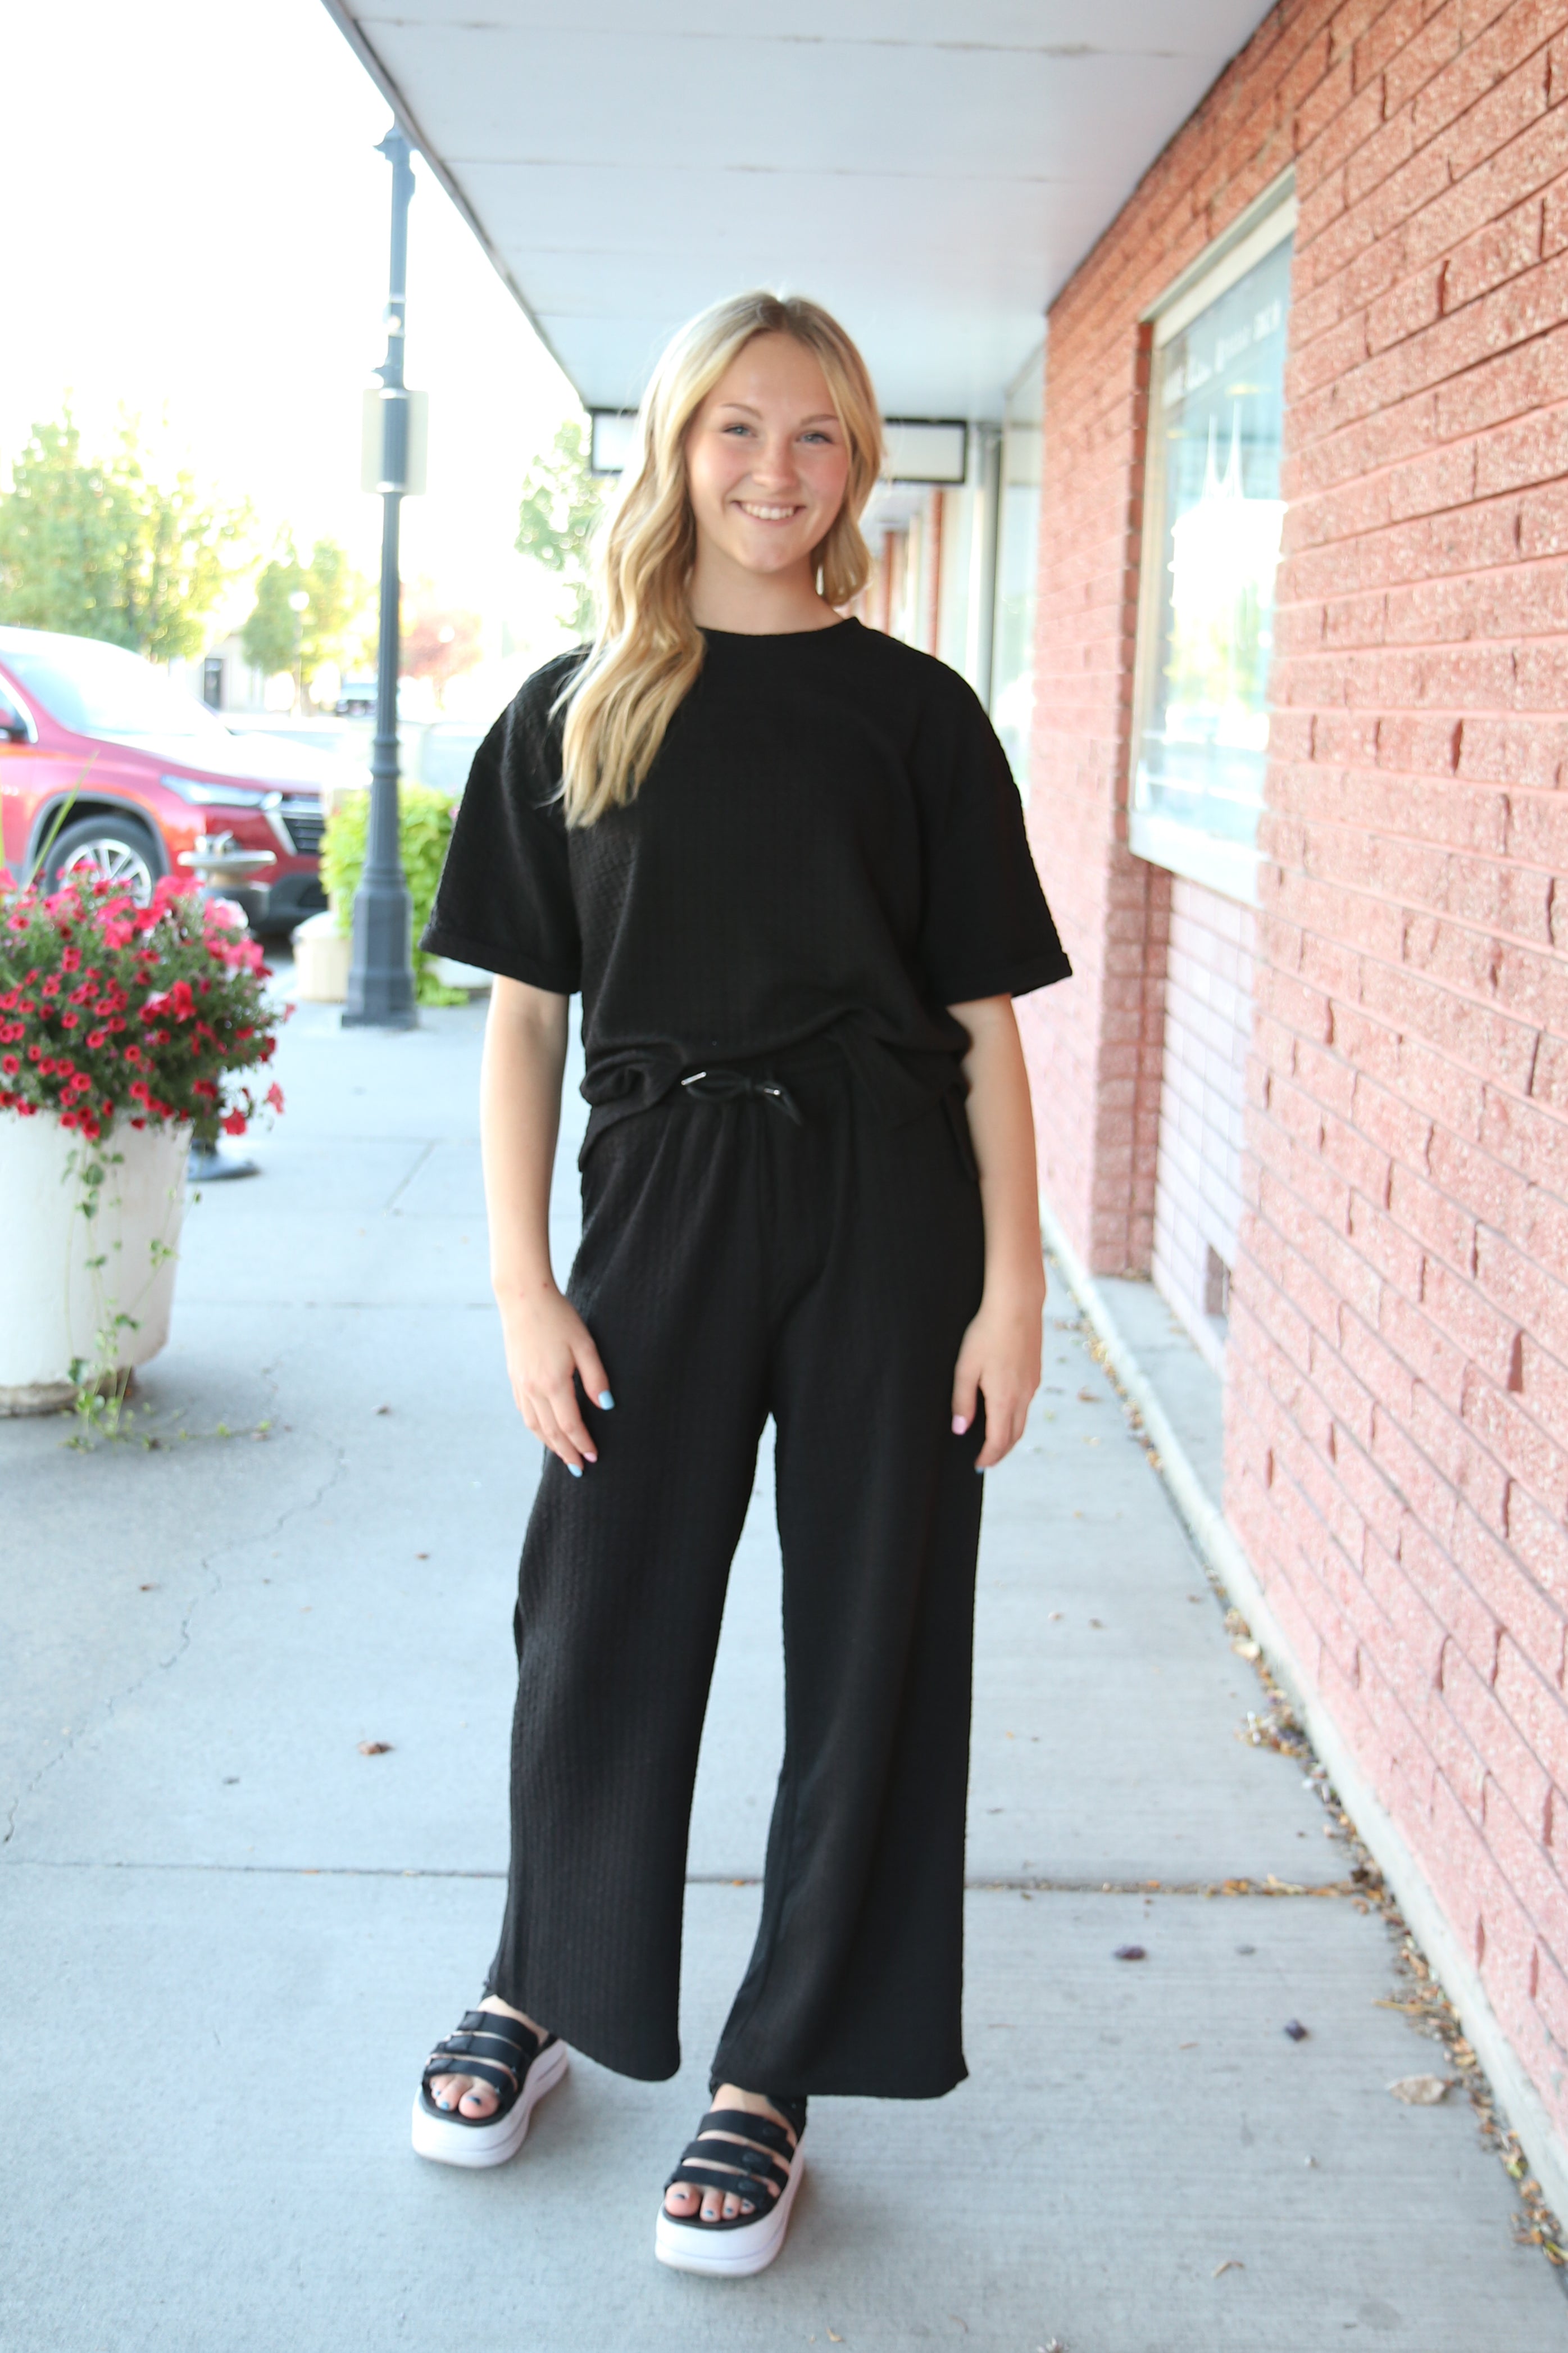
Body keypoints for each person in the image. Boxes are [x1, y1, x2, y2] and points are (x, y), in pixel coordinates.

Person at [414, 289, 1070, 2278]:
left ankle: (771, 2073)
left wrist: (1013, 1285)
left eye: (820, 438)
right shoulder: (570, 707)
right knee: (598, 1607)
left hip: (887, 1208)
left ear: (858, 467)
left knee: (872, 1633)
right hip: (664, 1197)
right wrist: (525, 1290)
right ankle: (546, 1992)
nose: (780, 472)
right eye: (742, 431)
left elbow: (983, 1027)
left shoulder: (917, 716)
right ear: (678, 445)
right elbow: (525, 1029)